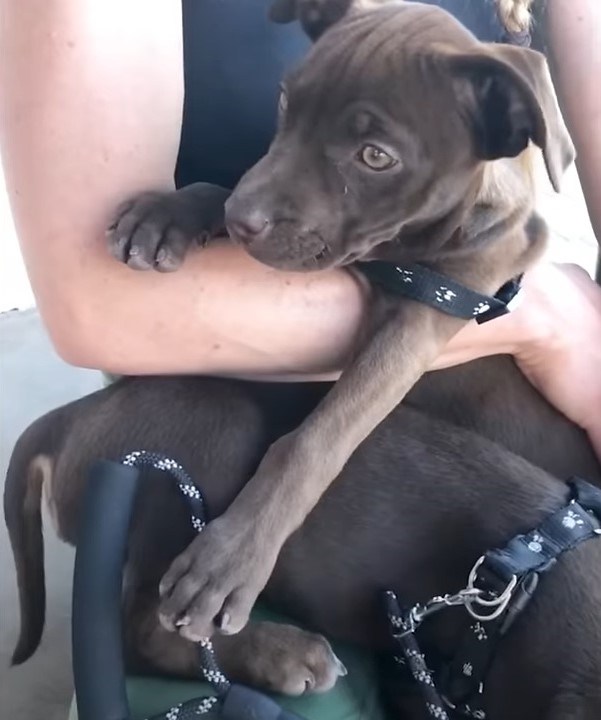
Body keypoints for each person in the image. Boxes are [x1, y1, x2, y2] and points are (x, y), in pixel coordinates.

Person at [1, 1, 600, 718]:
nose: (250, 205)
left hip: (493, 495)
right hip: (242, 435)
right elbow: (97, 306)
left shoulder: (477, 171)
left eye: (373, 156)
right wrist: (536, 320)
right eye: (291, 101)